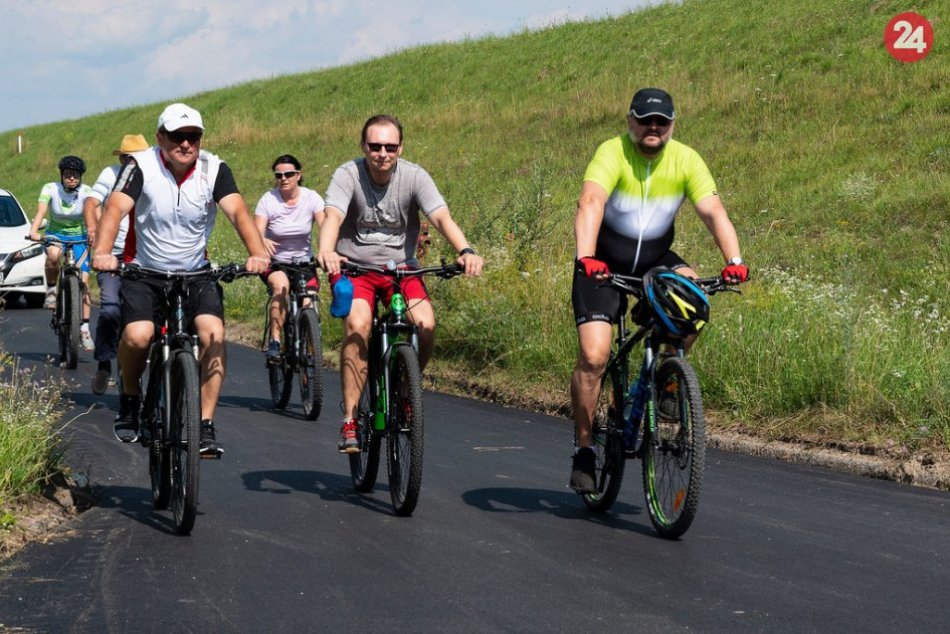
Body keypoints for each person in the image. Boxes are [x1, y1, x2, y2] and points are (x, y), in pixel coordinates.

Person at [569, 88, 749, 493]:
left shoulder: (686, 159)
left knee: (695, 305)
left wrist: (734, 261)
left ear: (672, 125)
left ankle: (668, 377)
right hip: (602, 262)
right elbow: (591, 201)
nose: (653, 128)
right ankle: (584, 449)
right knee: (595, 356)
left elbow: (713, 210)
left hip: (654, 259)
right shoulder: (612, 152)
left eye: (661, 122)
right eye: (645, 120)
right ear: (630, 121)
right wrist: (586, 257)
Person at [92, 103, 270, 457]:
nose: (186, 144)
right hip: (144, 271)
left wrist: (258, 252)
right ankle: (130, 397)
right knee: (138, 336)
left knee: (213, 334)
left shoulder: (214, 168)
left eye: (193, 137)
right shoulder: (141, 166)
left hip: (195, 272)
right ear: (160, 138)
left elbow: (237, 210)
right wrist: (102, 251)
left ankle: (204, 425)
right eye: (177, 136)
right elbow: (114, 208)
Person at [317, 114, 484, 453]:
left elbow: (440, 216)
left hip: (402, 271)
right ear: (363, 146)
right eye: (375, 146)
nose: (382, 153)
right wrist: (326, 251)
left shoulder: (414, 176)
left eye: (390, 147)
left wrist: (465, 250)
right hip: (357, 269)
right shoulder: (348, 174)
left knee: (425, 324)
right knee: (357, 324)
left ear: (400, 148)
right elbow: (333, 216)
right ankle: (350, 418)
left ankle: (407, 389)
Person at [83, 134, 150, 394]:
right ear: (120, 158)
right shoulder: (111, 174)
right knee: (110, 308)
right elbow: (91, 202)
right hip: (111, 253)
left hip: (143, 256)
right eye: (126, 157)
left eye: (136, 157)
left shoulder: (153, 175)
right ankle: (103, 362)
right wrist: (93, 228)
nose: (130, 161)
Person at [254, 154, 326, 362]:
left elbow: (325, 226)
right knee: (281, 286)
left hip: (303, 262)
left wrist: (325, 249)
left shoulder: (312, 198)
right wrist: (263, 241)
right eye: (279, 175)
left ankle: (312, 346)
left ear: (298, 175)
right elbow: (256, 230)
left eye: (289, 174)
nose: (284, 178)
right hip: (275, 262)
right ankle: (275, 341)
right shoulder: (268, 200)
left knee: (309, 300)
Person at [29, 155, 95, 351]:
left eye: (75, 175)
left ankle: (84, 328)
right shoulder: (50, 189)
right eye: (67, 175)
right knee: (53, 256)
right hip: (55, 234)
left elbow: (93, 216)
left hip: (80, 237)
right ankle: (51, 289)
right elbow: (41, 211)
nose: (71, 178)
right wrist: (33, 231)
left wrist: (95, 232)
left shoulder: (87, 192)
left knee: (84, 281)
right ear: (61, 176)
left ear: (80, 177)